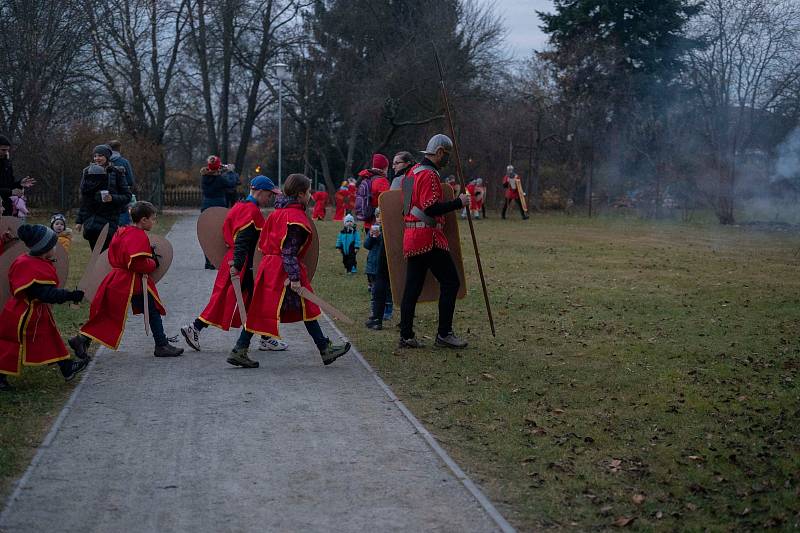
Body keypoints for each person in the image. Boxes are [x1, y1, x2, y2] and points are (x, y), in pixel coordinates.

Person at [228, 173, 351, 368]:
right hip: (283, 269)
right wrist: (294, 278)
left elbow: (264, 245)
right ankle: (324, 349)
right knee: (299, 306)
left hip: (269, 267)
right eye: (309, 192)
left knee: (288, 307)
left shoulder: (277, 212)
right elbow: (289, 251)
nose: (310, 196)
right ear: (301, 194)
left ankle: (240, 349)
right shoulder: (294, 218)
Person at [181, 176, 288, 353]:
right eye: (269, 194)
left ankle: (265, 337)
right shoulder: (251, 211)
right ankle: (195, 327)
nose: (269, 198)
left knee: (245, 299)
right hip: (242, 262)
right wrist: (238, 265)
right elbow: (242, 241)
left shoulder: (239, 206)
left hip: (235, 260)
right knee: (244, 299)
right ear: (260, 192)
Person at [69, 201, 184, 359]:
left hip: (117, 279)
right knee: (150, 310)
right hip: (129, 282)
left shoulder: (122, 231)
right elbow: (137, 263)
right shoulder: (137, 235)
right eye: (153, 218)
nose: (154, 222)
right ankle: (161, 345)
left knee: (111, 313)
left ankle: (82, 339)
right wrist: (152, 262)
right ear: (143, 220)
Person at [398, 134, 469, 349]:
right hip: (428, 237)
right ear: (439, 152)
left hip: (412, 236)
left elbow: (405, 208)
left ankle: (406, 335)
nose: (447, 160)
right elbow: (430, 207)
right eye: (446, 155)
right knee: (451, 282)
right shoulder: (429, 175)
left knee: (412, 287)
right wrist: (458, 202)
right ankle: (444, 334)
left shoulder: (411, 172)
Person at [0, 224, 88, 391]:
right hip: (22, 315)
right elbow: (46, 294)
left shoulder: (34, 260)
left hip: (35, 313)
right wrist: (70, 295)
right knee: (10, 345)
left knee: (49, 339)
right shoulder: (29, 265)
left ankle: (67, 367)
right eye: (53, 245)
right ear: (45, 248)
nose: (55, 247)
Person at [75, 145, 132, 251]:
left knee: (107, 254)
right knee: (96, 254)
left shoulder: (116, 172)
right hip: (91, 220)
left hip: (109, 219)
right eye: (95, 156)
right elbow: (84, 198)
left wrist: (112, 198)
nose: (97, 158)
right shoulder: (87, 172)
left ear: (107, 157)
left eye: (100, 155)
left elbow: (127, 196)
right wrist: (80, 220)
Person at [200, 155, 238, 268]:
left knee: (207, 234)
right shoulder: (220, 179)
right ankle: (216, 259)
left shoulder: (204, 177)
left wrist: (219, 169)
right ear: (218, 167)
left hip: (206, 206)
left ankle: (208, 261)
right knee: (219, 234)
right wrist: (230, 171)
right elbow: (231, 184)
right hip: (219, 206)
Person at [364, 208, 393, 330]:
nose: (379, 218)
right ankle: (375, 314)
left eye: (381, 216)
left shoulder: (389, 229)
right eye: (377, 216)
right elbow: (366, 245)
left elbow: (388, 245)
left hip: (384, 266)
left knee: (386, 291)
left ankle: (386, 312)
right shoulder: (374, 228)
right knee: (375, 291)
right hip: (373, 265)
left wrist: (380, 237)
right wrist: (371, 236)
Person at [0, 135, 35, 216]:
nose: (5, 152)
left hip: (7, 206)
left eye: (7, 150)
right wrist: (10, 192)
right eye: (3, 150)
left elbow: (9, 184)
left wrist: (20, 184)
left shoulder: (7, 164)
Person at [355, 154, 390, 230]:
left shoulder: (367, 177)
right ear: (385, 167)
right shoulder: (382, 181)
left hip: (368, 221)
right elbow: (387, 201)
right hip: (378, 223)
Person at [108, 140, 136, 226]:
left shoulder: (104, 161)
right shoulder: (124, 162)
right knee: (123, 224)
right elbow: (130, 181)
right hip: (121, 196)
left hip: (107, 196)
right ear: (120, 149)